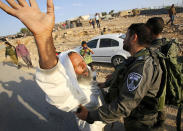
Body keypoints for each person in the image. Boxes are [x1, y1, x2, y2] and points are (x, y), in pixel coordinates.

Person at [0, 0, 105, 131]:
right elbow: (56, 82)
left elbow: (92, 84)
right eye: (78, 65)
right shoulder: (72, 93)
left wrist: (103, 85)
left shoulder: (86, 73)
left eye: (82, 61)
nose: (84, 65)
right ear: (69, 73)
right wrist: (43, 37)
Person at [76, 23, 163, 131]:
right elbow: (124, 72)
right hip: (136, 116)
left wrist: (89, 116)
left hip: (141, 121)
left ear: (134, 37)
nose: (124, 40)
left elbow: (125, 105)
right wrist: (106, 83)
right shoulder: (138, 58)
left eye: (126, 36)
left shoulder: (141, 66)